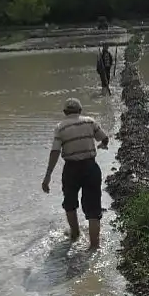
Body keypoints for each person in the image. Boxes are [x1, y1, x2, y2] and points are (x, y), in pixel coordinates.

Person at [42, 98, 110, 250]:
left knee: (70, 203)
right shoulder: (89, 122)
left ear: (65, 112)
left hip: (71, 169)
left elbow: (55, 151)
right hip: (91, 167)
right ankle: (94, 246)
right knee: (93, 208)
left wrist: (48, 176)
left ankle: (75, 234)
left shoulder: (60, 127)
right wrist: (103, 145)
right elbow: (104, 138)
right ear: (80, 111)